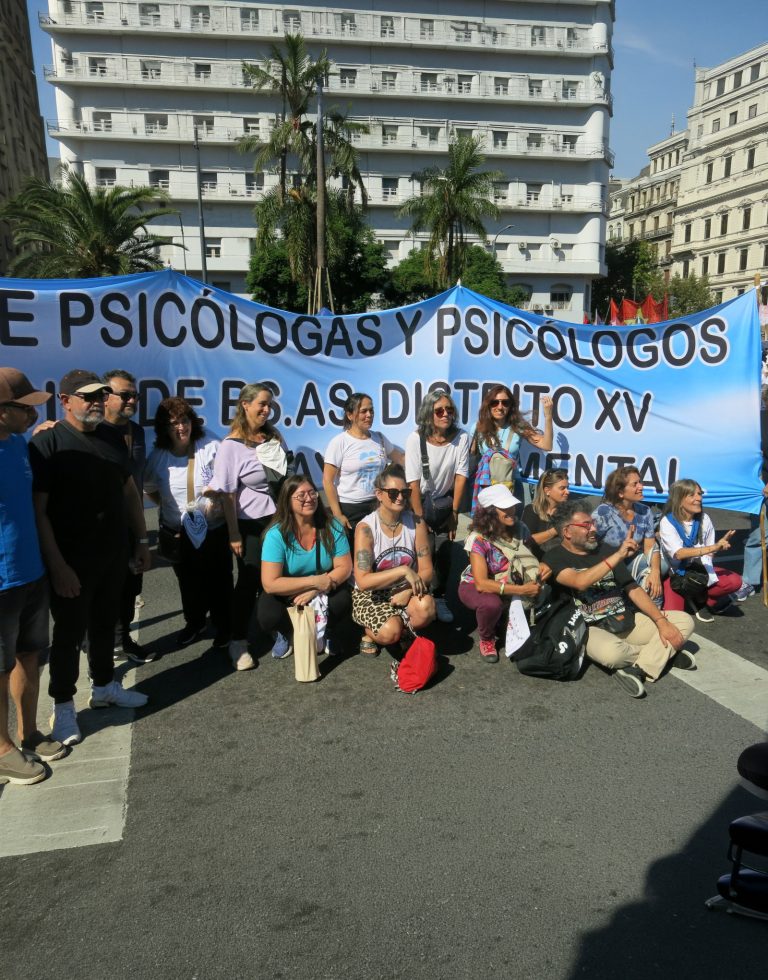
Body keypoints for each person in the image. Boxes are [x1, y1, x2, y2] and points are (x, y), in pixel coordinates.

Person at [29, 370, 150, 747]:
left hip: (112, 555)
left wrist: (141, 540)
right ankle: (64, 707)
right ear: (65, 401)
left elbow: (129, 492)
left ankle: (103, 687)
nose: (96, 402)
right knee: (67, 636)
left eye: (101, 396)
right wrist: (58, 565)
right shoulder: (48, 443)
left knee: (104, 626)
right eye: (87, 397)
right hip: (71, 563)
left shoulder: (114, 437)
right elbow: (39, 511)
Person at [542, 499, 695, 699]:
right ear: (567, 532)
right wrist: (618, 555)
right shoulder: (553, 558)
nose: (593, 529)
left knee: (684, 621)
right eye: (586, 525)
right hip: (588, 627)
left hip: (625, 618)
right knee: (613, 655)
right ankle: (663, 654)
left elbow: (632, 588)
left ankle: (641, 668)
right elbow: (580, 582)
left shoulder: (603, 549)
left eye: (593, 523)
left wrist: (661, 621)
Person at [0, 369, 65, 786]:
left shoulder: (19, 444)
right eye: (25, 408)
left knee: (30, 656)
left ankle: (28, 732)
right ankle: (2, 749)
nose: (32, 413)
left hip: (31, 572)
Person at [143, 397, 233, 655]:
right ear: (164, 428)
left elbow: (227, 483)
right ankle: (194, 623)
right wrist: (169, 508)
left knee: (219, 579)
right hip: (178, 532)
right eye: (173, 423)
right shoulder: (158, 457)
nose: (180, 428)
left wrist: (214, 503)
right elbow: (149, 488)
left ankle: (223, 626)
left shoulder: (210, 446)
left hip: (213, 529)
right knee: (188, 582)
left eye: (184, 421)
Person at [207, 383, 282, 670]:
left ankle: (275, 627)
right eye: (261, 403)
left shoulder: (272, 436)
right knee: (250, 580)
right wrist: (234, 533)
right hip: (249, 524)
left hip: (277, 520)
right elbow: (227, 493)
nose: (266, 409)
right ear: (245, 405)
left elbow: (283, 478)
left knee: (278, 575)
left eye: (269, 404)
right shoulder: (231, 446)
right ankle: (238, 642)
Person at [259, 476, 352, 659]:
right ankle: (284, 633)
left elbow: (345, 567)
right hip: (289, 591)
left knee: (342, 600)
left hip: (323, 587)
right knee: (267, 614)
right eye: (301, 495)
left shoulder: (332, 526)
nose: (309, 499)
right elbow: (270, 584)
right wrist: (313, 582)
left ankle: (328, 630)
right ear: (287, 500)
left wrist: (316, 588)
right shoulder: (276, 535)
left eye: (312, 493)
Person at [353, 464, 436, 657]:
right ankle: (371, 633)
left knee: (426, 608)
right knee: (390, 633)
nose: (400, 497)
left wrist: (407, 590)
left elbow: (426, 571)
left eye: (404, 492)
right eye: (392, 492)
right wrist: (402, 571)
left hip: (405, 587)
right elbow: (363, 581)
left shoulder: (416, 523)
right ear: (379, 494)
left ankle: (401, 627)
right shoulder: (366, 528)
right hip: (372, 593)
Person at [458, 484, 545, 663]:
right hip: (476, 585)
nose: (512, 510)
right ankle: (487, 638)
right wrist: (522, 590)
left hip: (510, 581)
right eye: (505, 507)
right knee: (491, 604)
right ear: (490, 512)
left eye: (512, 505)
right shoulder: (479, 539)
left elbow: (527, 557)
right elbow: (481, 583)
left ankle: (502, 622)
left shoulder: (520, 529)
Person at [404, 389, 470, 623]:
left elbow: (461, 474)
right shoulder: (415, 438)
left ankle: (440, 597)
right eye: (439, 410)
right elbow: (412, 480)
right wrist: (419, 518)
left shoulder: (462, 437)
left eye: (449, 410)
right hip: (418, 501)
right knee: (423, 552)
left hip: (445, 502)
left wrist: (454, 512)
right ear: (428, 414)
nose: (445, 414)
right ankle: (419, 598)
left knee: (444, 551)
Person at [101, 369, 150, 664]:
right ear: (105, 398)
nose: (132, 400)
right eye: (126, 395)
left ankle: (123, 639)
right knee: (104, 592)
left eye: (135, 395)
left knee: (131, 587)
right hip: (103, 530)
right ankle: (102, 646)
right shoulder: (93, 432)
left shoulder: (138, 431)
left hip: (134, 526)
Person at [659, 479, 749, 623]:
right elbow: (679, 553)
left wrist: (702, 571)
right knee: (673, 619)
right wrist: (714, 547)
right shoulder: (668, 521)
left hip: (699, 571)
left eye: (700, 494)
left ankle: (706, 601)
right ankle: (693, 596)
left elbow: (710, 553)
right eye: (692, 495)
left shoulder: (704, 519)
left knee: (735, 581)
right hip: (676, 575)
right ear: (679, 499)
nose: (699, 498)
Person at [322, 392, 403, 541]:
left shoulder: (379, 438)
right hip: (350, 509)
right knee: (356, 557)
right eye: (363, 411)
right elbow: (327, 481)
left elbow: (401, 459)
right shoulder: (339, 442)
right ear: (350, 415)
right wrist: (338, 514)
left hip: (377, 506)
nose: (369, 415)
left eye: (371, 410)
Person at [470, 385, 553, 513]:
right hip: (487, 487)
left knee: (512, 530)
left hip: (512, 487)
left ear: (510, 406)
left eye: (505, 402)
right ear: (488, 404)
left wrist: (548, 416)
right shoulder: (477, 428)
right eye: (495, 402)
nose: (500, 407)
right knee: (487, 529)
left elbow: (546, 445)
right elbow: (470, 457)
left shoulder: (518, 427)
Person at [592, 466, 663, 605]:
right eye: (635, 484)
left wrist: (655, 573)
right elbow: (587, 545)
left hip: (632, 562)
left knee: (658, 567)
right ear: (620, 492)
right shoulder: (603, 513)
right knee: (647, 569)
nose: (641, 486)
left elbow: (650, 546)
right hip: (608, 565)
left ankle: (654, 613)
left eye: (640, 482)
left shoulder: (645, 511)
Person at [521, 468, 570, 560]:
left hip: (562, 562)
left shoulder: (568, 512)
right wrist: (555, 530)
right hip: (536, 562)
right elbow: (526, 540)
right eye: (562, 488)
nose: (567, 492)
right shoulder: (532, 510)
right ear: (547, 490)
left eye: (568, 488)